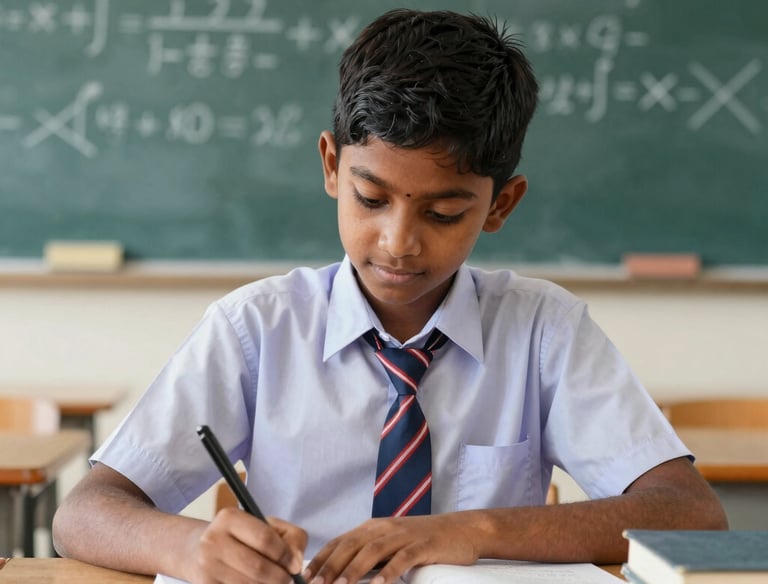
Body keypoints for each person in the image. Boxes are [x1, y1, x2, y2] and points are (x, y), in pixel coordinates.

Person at [53, 8, 727, 584]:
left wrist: (471, 530)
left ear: (501, 205)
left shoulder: (543, 330)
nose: (398, 241)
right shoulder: (257, 327)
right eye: (370, 199)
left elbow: (691, 514)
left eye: (443, 212)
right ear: (330, 166)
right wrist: (188, 546)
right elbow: (82, 513)